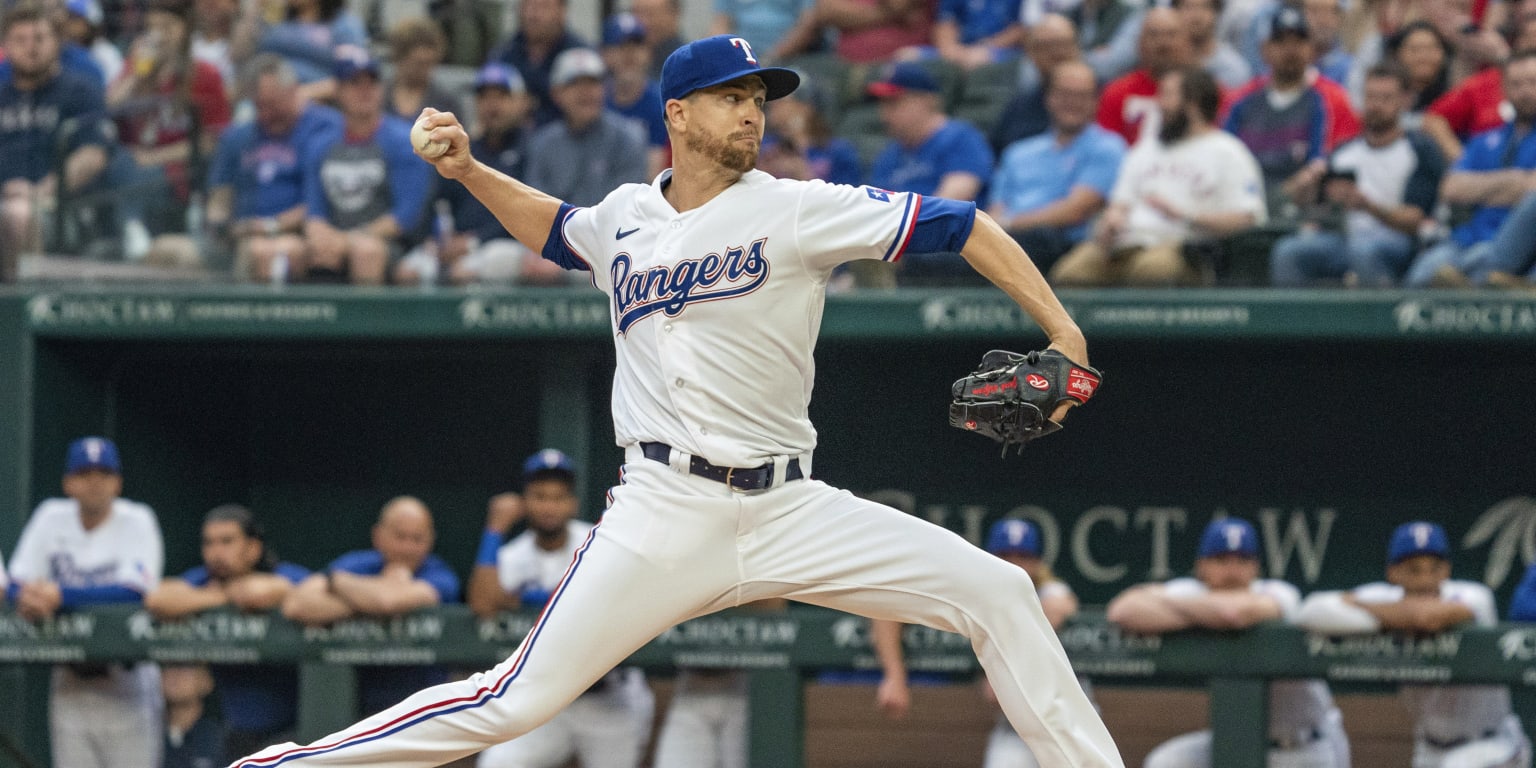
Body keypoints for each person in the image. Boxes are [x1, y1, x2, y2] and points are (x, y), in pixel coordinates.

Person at [231, 33, 1120, 768]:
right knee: (511, 701)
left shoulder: (798, 208)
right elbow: (555, 228)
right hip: (665, 507)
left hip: (790, 505)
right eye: (732, 96)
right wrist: (468, 171)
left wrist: (1065, 334)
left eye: (758, 99)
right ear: (678, 114)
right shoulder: (624, 215)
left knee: (1000, 592)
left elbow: (962, 225)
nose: (751, 112)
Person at [1107, 518, 1349, 768]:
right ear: (1201, 566)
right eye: (1221, 560)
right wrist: (1203, 609)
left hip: (1305, 746)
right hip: (1236, 740)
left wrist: (1169, 603)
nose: (1233, 571)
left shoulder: (1279, 591)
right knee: (1165, 763)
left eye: (1243, 561)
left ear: (1256, 567)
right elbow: (1122, 611)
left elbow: (1233, 615)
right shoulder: (1194, 591)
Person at [470, 449, 656, 768]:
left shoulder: (598, 540)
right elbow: (484, 604)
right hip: (545, 700)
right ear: (525, 501)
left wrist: (529, 599)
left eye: (558, 497)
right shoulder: (514, 555)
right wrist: (494, 530)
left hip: (608, 695)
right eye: (540, 496)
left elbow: (617, 599)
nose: (549, 506)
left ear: (572, 502)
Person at [1296, 522, 1532, 768]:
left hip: (1491, 744)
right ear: (1393, 573)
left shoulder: (1474, 596)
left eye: (1435, 568)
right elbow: (1311, 610)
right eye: (1414, 569)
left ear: (1447, 570)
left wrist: (1370, 613)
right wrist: (1386, 615)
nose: (1425, 579)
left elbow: (1427, 618)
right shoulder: (1386, 598)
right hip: (1430, 748)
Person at [7, 437, 165, 768]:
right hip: (69, 682)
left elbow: (136, 591)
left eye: (104, 474)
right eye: (85, 474)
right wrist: (26, 596)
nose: (95, 483)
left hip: (127, 684)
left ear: (118, 482)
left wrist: (62, 596)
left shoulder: (137, 519)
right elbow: (16, 581)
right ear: (68, 483)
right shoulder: (50, 516)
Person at [1052, 66, 1266, 286]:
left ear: (1193, 104)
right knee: (1070, 272)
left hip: (1183, 248)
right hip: (1122, 244)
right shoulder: (1146, 148)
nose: (1159, 104)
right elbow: (1119, 203)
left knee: (1151, 270)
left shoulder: (1228, 152)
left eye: (1167, 96)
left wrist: (1186, 216)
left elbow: (1246, 218)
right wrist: (1111, 220)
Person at [144, 504, 311, 762]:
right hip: (238, 731)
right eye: (209, 543)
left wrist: (214, 597)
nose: (216, 552)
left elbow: (270, 592)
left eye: (227, 542)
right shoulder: (204, 581)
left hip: (297, 730)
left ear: (253, 547)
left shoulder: (282, 573)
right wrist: (222, 596)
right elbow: (158, 599)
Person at [280, 496, 461, 718]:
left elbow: (389, 602)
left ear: (431, 540)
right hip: (358, 710)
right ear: (378, 536)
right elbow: (295, 604)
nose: (408, 547)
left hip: (421, 712)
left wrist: (339, 586)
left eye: (417, 539)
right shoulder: (359, 564)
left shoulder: (440, 574)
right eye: (400, 536)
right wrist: (367, 595)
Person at [1270, 63, 1444, 287]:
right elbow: (1311, 205)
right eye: (1371, 97)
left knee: (1364, 252)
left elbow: (1416, 219)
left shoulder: (1420, 150)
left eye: (1386, 98)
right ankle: (1293, 321)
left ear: (1405, 100)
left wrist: (1367, 206)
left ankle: (1376, 320)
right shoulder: (1344, 152)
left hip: (1398, 242)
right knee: (1288, 251)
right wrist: (1307, 187)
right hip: (1345, 239)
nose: (1376, 105)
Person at [394, 63, 556, 286]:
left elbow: (528, 208)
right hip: (456, 244)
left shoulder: (533, 148)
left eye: (501, 96)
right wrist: (433, 241)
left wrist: (473, 242)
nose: (492, 106)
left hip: (508, 244)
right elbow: (435, 201)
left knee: (467, 271)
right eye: (484, 97)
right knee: (408, 271)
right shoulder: (465, 148)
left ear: (521, 102)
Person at [106, 0, 232, 259]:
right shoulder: (136, 69)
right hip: (130, 165)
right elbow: (108, 109)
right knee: (120, 162)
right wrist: (136, 77)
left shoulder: (205, 75)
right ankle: (131, 229)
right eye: (152, 27)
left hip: (178, 172)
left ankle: (132, 229)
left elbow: (212, 141)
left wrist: (154, 158)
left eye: (167, 27)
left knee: (140, 170)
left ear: (185, 30)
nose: (158, 35)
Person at [1403, 48, 1536, 287]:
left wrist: (1482, 187)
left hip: (1515, 248)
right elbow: (1451, 189)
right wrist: (1516, 183)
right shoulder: (1486, 138)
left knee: (1476, 266)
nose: (1525, 92)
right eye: (1517, 84)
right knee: (1423, 272)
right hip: (1467, 238)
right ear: (1504, 89)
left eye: (1532, 83)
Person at [300, 47, 434, 284]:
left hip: (393, 244)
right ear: (338, 90)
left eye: (372, 82)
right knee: (305, 249)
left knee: (365, 251)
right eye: (355, 83)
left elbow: (405, 217)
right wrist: (321, 235)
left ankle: (368, 321)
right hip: (336, 237)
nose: (366, 90)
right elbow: (315, 210)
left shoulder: (404, 141)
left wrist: (349, 239)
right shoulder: (321, 144)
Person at [205, 54, 343, 282]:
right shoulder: (238, 136)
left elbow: (322, 201)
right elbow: (220, 197)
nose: (266, 114)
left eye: (272, 104)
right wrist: (219, 224)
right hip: (238, 234)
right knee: (167, 251)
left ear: (294, 90)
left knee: (258, 251)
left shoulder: (326, 129)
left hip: (295, 234)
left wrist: (267, 227)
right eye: (259, 106)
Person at [0, 3, 111, 279]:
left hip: (62, 209)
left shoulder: (79, 91)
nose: (31, 48)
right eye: (20, 40)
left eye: (39, 39)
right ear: (6, 46)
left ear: (58, 43)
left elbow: (93, 155)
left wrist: (40, 192)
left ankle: (22, 311)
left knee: (18, 215)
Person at [989, 60, 1127, 275]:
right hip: (1007, 239)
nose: (1072, 103)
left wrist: (1007, 224)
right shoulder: (1018, 151)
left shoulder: (1108, 146)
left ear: (1095, 101)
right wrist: (999, 228)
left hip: (1060, 242)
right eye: (1065, 94)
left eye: (1081, 96)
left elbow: (1075, 211)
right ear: (1049, 98)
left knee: (1034, 241)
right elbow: (996, 208)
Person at [1222, 6, 1360, 214]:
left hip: (1300, 208)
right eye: (1281, 42)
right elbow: (1224, 156)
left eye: (1299, 41)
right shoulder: (1240, 101)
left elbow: (1327, 166)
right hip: (1240, 203)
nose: (1290, 49)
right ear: (1264, 49)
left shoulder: (1334, 100)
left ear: (1311, 47)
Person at [977, 520, 1091, 768]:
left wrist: (1006, 662)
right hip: (1018, 725)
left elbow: (1061, 606)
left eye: (1023, 556)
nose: (1013, 563)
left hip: (1072, 721)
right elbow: (993, 694)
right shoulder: (977, 596)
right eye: (1004, 554)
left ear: (1038, 563)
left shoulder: (1049, 589)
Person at [523, 48, 650, 208]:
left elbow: (629, 208)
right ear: (556, 93)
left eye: (593, 83)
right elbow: (536, 206)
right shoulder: (542, 144)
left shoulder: (628, 138)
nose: (585, 92)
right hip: (556, 231)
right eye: (574, 84)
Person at [1096, 7, 1193, 145]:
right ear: (1139, 43)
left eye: (1171, 35)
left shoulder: (1205, 93)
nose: (1163, 43)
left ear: (1187, 43)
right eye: (1154, 35)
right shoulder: (1116, 93)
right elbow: (1107, 149)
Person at [989, 13, 1082, 153]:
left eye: (1063, 44)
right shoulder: (1019, 107)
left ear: (1077, 48)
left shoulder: (1100, 96)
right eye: (1047, 46)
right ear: (1031, 52)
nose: (1057, 53)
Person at [488, 0, 589, 126]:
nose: (533, 14)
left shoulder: (582, 57)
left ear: (562, 11)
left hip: (570, 138)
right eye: (527, 6)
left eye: (542, 6)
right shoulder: (504, 53)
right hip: (513, 138)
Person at [601, 13, 670, 178]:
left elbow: (655, 174)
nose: (629, 54)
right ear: (604, 53)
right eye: (620, 46)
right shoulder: (594, 101)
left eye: (637, 46)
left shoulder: (662, 103)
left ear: (649, 53)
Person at [383, 18, 459, 122]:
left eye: (429, 64)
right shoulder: (379, 96)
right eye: (418, 63)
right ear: (400, 59)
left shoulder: (446, 102)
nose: (423, 70)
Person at [163, 664, 229, 768]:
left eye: (186, 666)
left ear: (206, 681)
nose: (174, 673)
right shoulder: (144, 732)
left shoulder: (225, 740)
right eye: (168, 665)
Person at [1175, 0, 1251, 88]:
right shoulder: (1165, 59)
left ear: (1216, 13)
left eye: (1204, 7)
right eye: (1188, 7)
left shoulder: (1233, 69)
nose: (1196, 16)